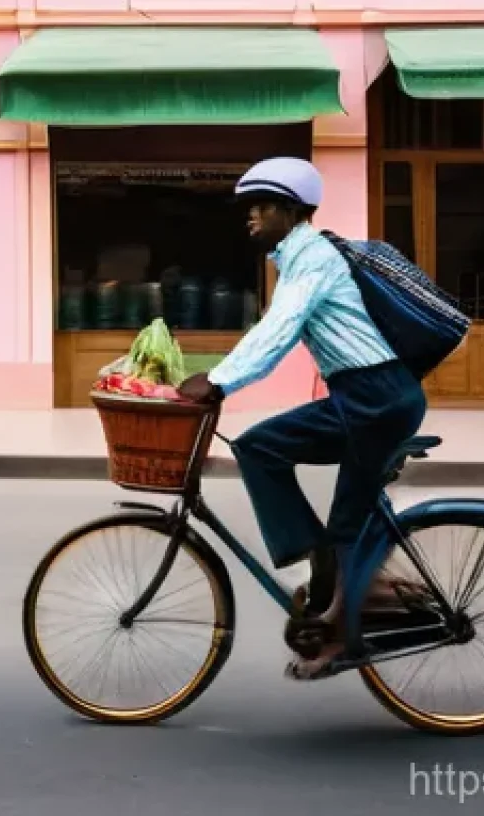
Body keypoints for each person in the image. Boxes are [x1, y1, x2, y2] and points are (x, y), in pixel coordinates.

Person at [178, 157, 427, 680]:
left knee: (271, 457)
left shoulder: (311, 256)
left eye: (262, 207)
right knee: (276, 458)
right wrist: (222, 376)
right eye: (250, 207)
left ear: (291, 211)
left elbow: (281, 327)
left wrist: (220, 379)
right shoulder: (299, 256)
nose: (251, 216)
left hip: (375, 397)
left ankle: (337, 617)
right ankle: (338, 579)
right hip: (368, 395)